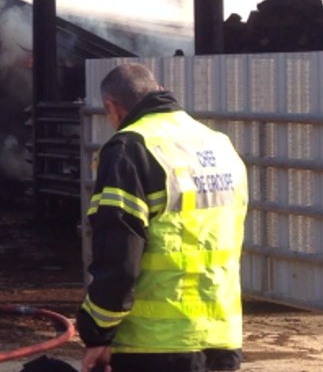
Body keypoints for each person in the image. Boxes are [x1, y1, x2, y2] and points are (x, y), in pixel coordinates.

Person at [77, 63, 248, 372]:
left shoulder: (130, 148)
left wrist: (97, 331)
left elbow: (119, 255)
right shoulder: (218, 143)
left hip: (154, 344)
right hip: (222, 337)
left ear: (111, 107)